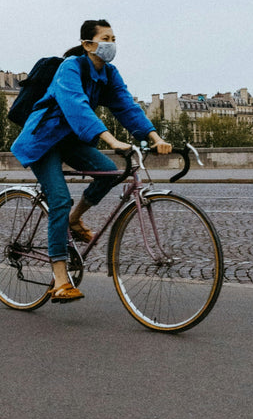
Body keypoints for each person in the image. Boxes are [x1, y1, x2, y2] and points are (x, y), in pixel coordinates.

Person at [11, 19, 172, 303]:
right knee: (59, 198)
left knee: (109, 172)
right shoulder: (70, 67)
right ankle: (60, 279)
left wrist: (154, 136)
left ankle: (73, 220)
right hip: (43, 139)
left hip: (71, 141)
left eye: (114, 38)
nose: (111, 44)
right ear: (88, 44)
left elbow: (127, 105)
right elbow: (76, 106)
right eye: (105, 38)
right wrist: (111, 140)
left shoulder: (109, 73)